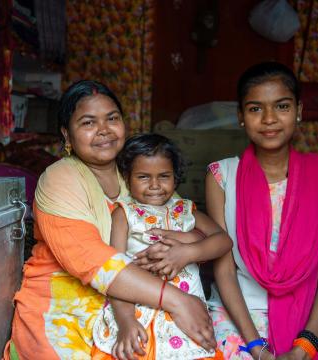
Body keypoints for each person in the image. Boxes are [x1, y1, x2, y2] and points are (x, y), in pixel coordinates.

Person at [2, 81, 217, 360]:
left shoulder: (137, 174)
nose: (104, 130)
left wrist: (187, 245)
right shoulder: (59, 179)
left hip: (136, 301)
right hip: (62, 306)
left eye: (112, 118)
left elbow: (189, 225)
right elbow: (92, 259)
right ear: (67, 135)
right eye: (88, 122)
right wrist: (177, 301)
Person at [205, 62, 318, 360]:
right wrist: (256, 348)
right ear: (241, 117)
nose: (269, 119)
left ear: (298, 110)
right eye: (256, 109)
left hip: (308, 320)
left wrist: (304, 347)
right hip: (238, 315)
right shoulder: (222, 176)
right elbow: (225, 271)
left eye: (281, 106)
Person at [91, 133, 232, 359]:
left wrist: (188, 253)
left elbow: (224, 241)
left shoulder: (187, 211)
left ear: (175, 178)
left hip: (187, 317)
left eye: (164, 176)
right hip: (138, 311)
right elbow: (114, 273)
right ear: (127, 178)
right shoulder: (124, 214)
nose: (155, 185)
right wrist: (126, 321)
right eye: (144, 177)